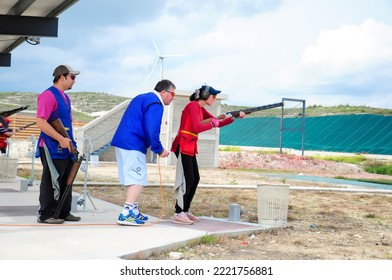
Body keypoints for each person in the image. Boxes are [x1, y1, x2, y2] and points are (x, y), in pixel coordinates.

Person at [170, 85, 245, 225]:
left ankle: (184, 210)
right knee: (188, 180)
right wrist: (214, 121)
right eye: (213, 96)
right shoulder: (192, 106)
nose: (214, 98)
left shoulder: (199, 108)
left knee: (195, 178)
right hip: (183, 144)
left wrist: (232, 117)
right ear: (204, 95)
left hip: (190, 145)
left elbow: (217, 122)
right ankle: (178, 212)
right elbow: (198, 127)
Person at [111, 79, 175, 226]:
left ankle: (132, 210)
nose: (173, 97)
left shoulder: (141, 97)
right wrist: (159, 149)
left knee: (133, 177)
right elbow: (152, 128)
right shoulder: (155, 103)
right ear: (164, 91)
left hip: (123, 142)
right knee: (138, 179)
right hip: (133, 144)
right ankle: (126, 213)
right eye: (172, 94)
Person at [36, 65, 81, 224]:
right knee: (51, 179)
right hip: (51, 146)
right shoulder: (48, 95)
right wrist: (60, 138)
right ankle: (46, 214)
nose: (74, 81)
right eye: (72, 77)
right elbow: (41, 122)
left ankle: (63, 211)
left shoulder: (65, 97)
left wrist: (69, 142)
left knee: (66, 178)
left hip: (65, 146)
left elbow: (65, 124)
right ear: (62, 77)